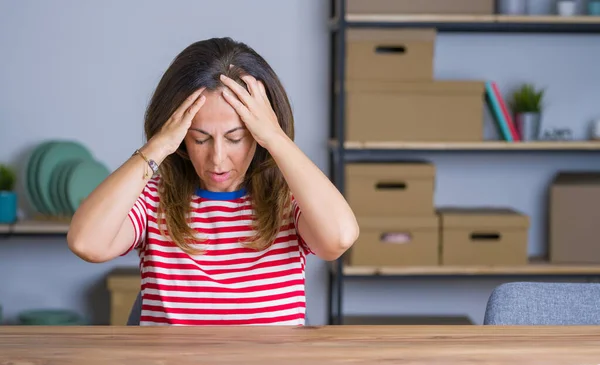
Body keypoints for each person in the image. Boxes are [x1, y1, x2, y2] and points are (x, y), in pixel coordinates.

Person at [67, 37, 359, 326]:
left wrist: (275, 137)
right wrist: (158, 146)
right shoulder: (153, 198)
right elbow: (86, 243)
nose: (217, 159)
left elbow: (339, 238)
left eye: (235, 138)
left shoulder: (291, 198)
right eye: (200, 138)